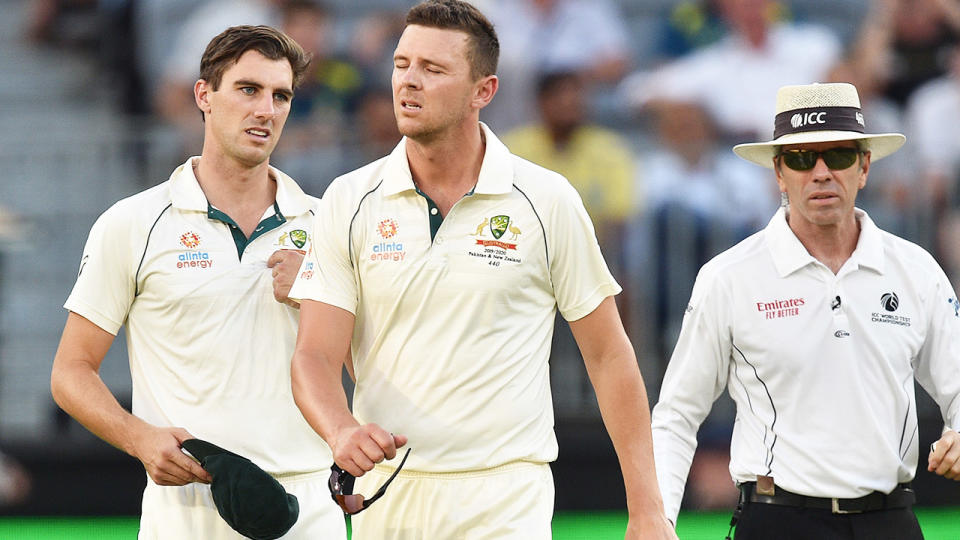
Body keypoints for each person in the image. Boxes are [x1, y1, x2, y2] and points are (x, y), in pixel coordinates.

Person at [288, 1, 676, 539]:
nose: (409, 82)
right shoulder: (349, 199)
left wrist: (647, 510)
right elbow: (313, 355)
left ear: (483, 92)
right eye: (402, 64)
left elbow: (609, 355)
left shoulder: (546, 199)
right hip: (388, 497)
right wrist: (340, 430)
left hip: (507, 496)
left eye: (433, 69)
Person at [50, 25, 346, 539]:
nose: (266, 110)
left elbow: (379, 363)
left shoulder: (333, 226)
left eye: (281, 96)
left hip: (307, 509)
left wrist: (320, 296)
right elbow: (71, 371)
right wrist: (139, 438)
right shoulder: (132, 223)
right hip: (183, 512)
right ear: (203, 95)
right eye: (248, 89)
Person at [650, 82, 960, 539]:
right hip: (778, 520)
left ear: (864, 167)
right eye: (800, 158)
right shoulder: (729, 276)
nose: (819, 173)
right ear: (779, 173)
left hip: (890, 520)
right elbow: (677, 414)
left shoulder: (917, 271)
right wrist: (657, 522)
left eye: (836, 155)